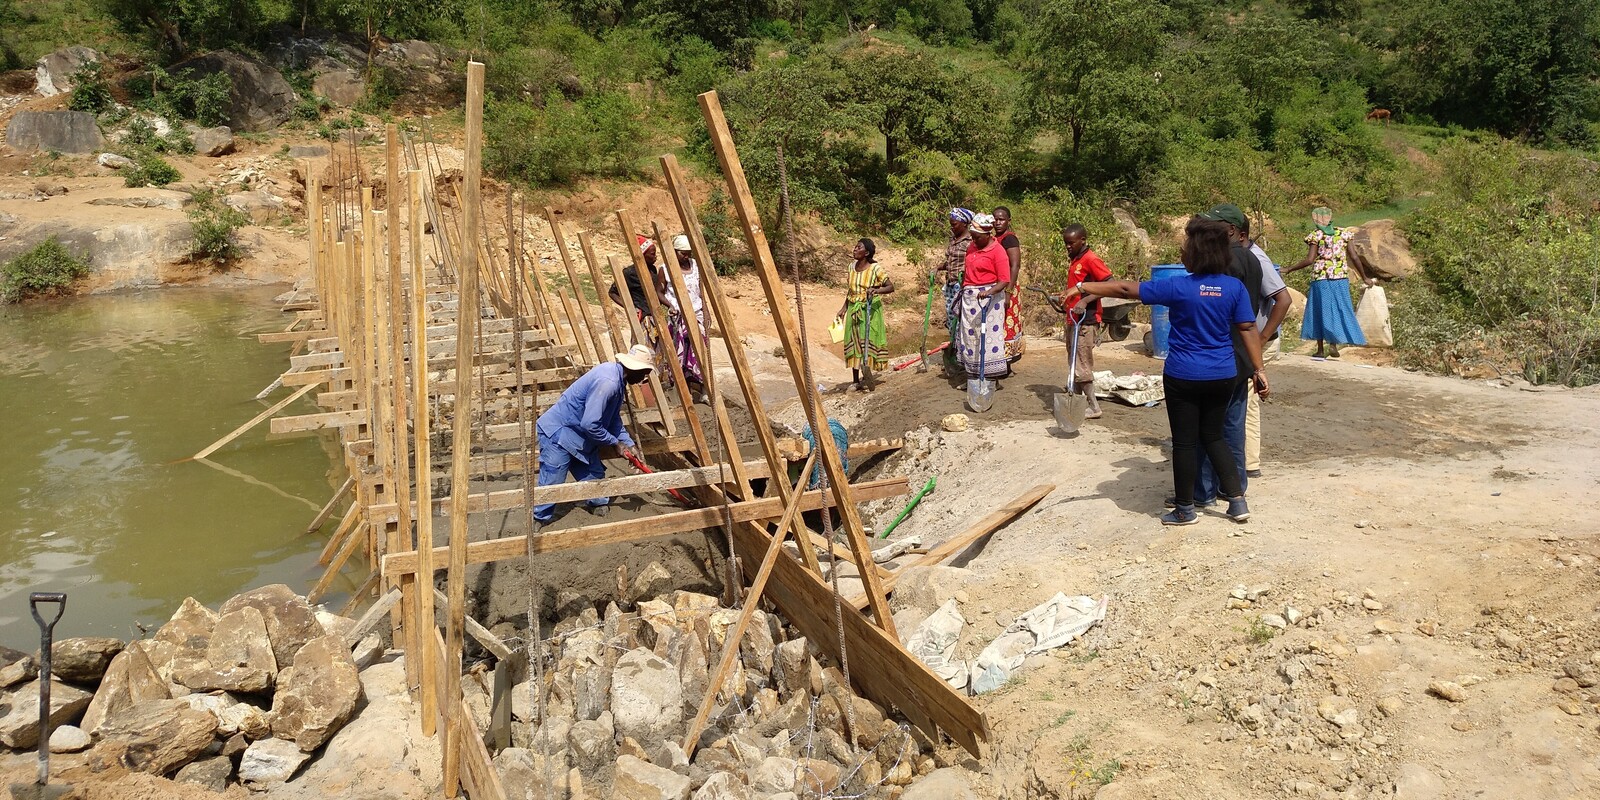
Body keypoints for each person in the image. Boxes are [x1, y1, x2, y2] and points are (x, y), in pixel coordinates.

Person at [1065, 217, 1268, 525]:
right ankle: (1237, 503)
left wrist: (1081, 286)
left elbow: (1123, 288)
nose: (1182, 253)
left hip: (1183, 375)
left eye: (1185, 249)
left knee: (1185, 443)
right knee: (1215, 437)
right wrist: (1259, 369)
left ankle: (1185, 510)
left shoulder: (1178, 286)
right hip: (1223, 375)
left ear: (1197, 254)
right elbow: (1248, 328)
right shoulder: (1234, 288)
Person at [1192, 203, 1283, 503]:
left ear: (1230, 231)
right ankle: (1234, 486)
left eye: (1213, 226)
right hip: (1243, 356)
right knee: (1232, 425)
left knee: (1206, 426)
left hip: (1220, 354)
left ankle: (1202, 491)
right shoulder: (1253, 260)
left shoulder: (1227, 262)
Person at [533, 344, 656, 525]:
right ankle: (539, 518)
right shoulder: (608, 383)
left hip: (580, 437)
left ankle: (596, 504)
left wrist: (629, 444)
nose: (644, 378)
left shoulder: (618, 380)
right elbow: (590, 424)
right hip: (559, 432)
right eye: (645, 373)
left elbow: (613, 419)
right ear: (634, 369)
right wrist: (615, 443)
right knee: (552, 483)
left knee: (596, 483)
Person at [1284, 206, 1372, 358]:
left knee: (1319, 310)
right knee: (1338, 309)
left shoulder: (1316, 235)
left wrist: (1290, 268)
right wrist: (1365, 277)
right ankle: (1333, 344)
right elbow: (1355, 257)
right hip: (1340, 278)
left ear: (1315, 219)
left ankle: (1320, 349)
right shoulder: (1343, 233)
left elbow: (1310, 260)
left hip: (1321, 279)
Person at [1241, 216, 1290, 479]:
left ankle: (1249, 463)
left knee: (1247, 399)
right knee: (1242, 397)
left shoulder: (1257, 260)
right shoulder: (1242, 257)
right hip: (1251, 341)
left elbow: (1283, 299)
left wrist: (1258, 343)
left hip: (1259, 341)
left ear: (1237, 233)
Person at [1060, 223, 1112, 419]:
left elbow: (1108, 284)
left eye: (1071, 243)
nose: (1068, 246)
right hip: (1073, 318)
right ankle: (1078, 401)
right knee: (1073, 361)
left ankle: (1094, 407)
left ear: (1083, 240)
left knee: (1082, 364)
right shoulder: (1075, 259)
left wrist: (1084, 300)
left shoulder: (1091, 259)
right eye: (1065, 243)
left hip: (1086, 320)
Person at [957, 213, 1011, 382]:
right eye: (972, 237)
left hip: (990, 300)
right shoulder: (972, 247)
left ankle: (990, 377)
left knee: (988, 338)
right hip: (970, 298)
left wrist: (989, 292)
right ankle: (972, 376)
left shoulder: (998, 251)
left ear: (988, 235)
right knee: (970, 336)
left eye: (977, 237)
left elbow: (1004, 280)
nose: (974, 240)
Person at [835, 238, 894, 390]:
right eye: (855, 247)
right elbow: (851, 290)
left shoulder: (875, 269)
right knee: (854, 342)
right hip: (854, 308)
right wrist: (844, 308)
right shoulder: (851, 267)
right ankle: (855, 381)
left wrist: (876, 290)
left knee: (866, 340)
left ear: (866, 253)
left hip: (869, 310)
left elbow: (890, 287)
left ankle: (867, 370)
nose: (854, 249)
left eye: (858, 247)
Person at [659, 234, 708, 393]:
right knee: (680, 349)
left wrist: (706, 312)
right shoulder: (665, 269)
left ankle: (700, 386)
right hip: (678, 316)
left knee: (700, 349)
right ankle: (681, 387)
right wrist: (670, 305)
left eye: (688, 252)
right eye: (682, 253)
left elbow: (700, 291)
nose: (686, 256)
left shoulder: (695, 266)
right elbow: (658, 292)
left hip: (696, 313)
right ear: (674, 252)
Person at [938, 208, 974, 377]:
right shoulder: (953, 239)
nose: (952, 227)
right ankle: (955, 355)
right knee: (951, 321)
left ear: (965, 224)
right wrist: (938, 268)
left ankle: (963, 358)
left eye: (955, 224)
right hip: (951, 285)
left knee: (961, 323)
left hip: (962, 286)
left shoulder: (970, 241)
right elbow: (950, 261)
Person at [993, 207, 1026, 365]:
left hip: (1008, 286)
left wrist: (1008, 292)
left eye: (1002, 219)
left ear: (1008, 221)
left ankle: (1006, 361)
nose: (998, 222)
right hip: (999, 285)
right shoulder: (995, 238)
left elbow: (1015, 265)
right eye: (996, 219)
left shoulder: (1009, 239)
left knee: (1006, 322)